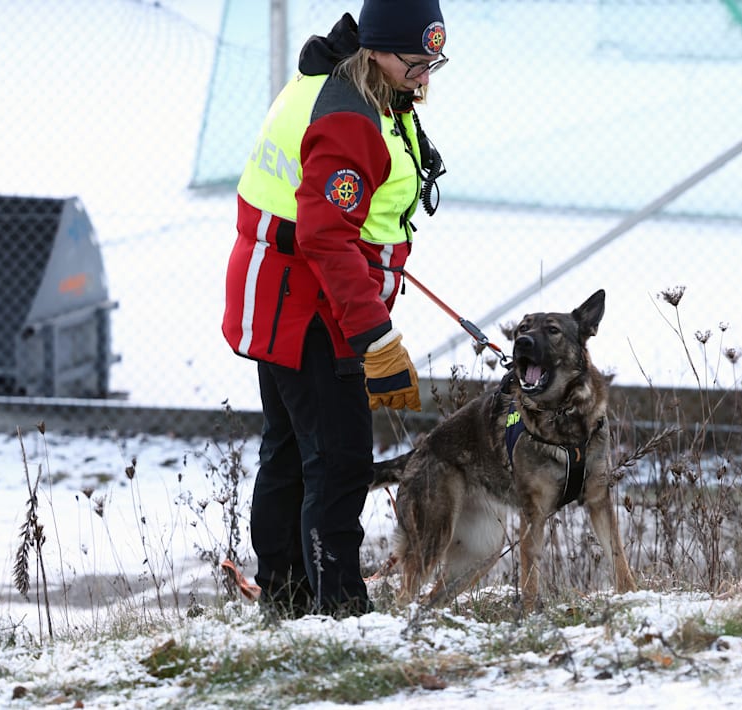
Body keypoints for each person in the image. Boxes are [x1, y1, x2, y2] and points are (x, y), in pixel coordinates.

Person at [222, 0, 446, 618]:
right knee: (339, 460)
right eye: (417, 61)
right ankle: (339, 609)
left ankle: (288, 597)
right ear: (376, 49)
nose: (426, 75)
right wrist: (375, 336)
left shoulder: (349, 80)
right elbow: (325, 234)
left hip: (291, 295)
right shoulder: (350, 118)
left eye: (435, 61)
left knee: (293, 451)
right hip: (312, 309)